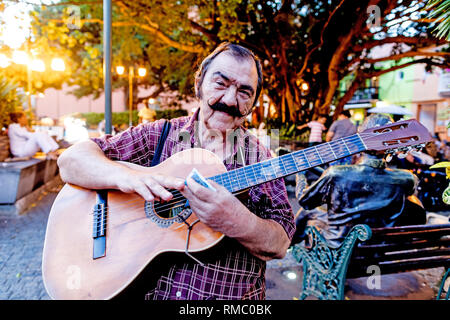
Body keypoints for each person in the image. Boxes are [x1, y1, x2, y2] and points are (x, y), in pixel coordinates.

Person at [57, 42, 295, 300]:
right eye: (221, 84)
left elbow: (280, 244)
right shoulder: (159, 135)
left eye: (244, 92)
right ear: (199, 84)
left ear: (253, 103)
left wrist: (237, 221)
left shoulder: (259, 158)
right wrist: (130, 177)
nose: (229, 100)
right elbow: (71, 160)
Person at [292, 114, 426, 247]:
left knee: (307, 212)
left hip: (340, 249)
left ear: (359, 139)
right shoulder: (406, 179)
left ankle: (288, 244)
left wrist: (300, 174)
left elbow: (305, 201)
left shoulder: (336, 173)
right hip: (378, 248)